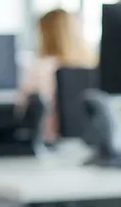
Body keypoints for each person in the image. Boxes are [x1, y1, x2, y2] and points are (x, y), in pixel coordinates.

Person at [15, 8, 94, 142]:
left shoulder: (40, 68)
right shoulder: (92, 66)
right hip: (87, 143)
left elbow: (21, 111)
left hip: (50, 142)